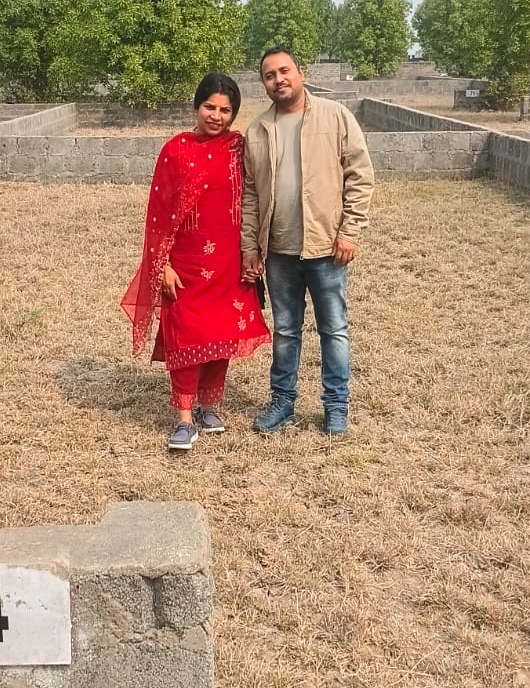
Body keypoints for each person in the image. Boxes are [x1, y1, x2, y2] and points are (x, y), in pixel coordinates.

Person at [121, 72, 270, 452]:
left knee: (221, 334)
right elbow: (158, 214)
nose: (216, 116)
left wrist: (254, 252)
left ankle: (209, 407)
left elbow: (255, 199)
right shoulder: (176, 151)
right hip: (186, 265)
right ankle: (185, 419)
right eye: (209, 107)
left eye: (225, 110)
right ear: (196, 106)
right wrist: (162, 264)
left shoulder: (238, 149)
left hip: (229, 263)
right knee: (186, 335)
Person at [241, 46, 375, 437]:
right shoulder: (257, 130)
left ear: (301, 72)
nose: (278, 79)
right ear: (263, 84)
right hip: (279, 251)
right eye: (269, 75)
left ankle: (336, 406)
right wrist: (250, 246)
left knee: (334, 330)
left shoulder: (335, 117)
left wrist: (349, 231)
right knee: (285, 331)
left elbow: (360, 175)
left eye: (284, 71)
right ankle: (282, 402)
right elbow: (250, 195)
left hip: (326, 248)